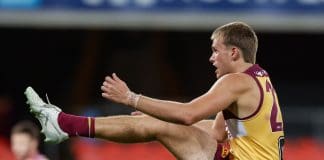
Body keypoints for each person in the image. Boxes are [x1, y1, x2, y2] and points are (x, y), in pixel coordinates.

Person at [25, 21, 284, 160]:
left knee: (162, 125)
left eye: (216, 50)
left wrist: (131, 98)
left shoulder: (235, 81)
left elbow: (188, 115)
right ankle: (63, 125)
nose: (211, 58)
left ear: (234, 52)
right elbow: (218, 131)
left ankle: (64, 124)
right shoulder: (260, 80)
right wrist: (157, 116)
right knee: (158, 123)